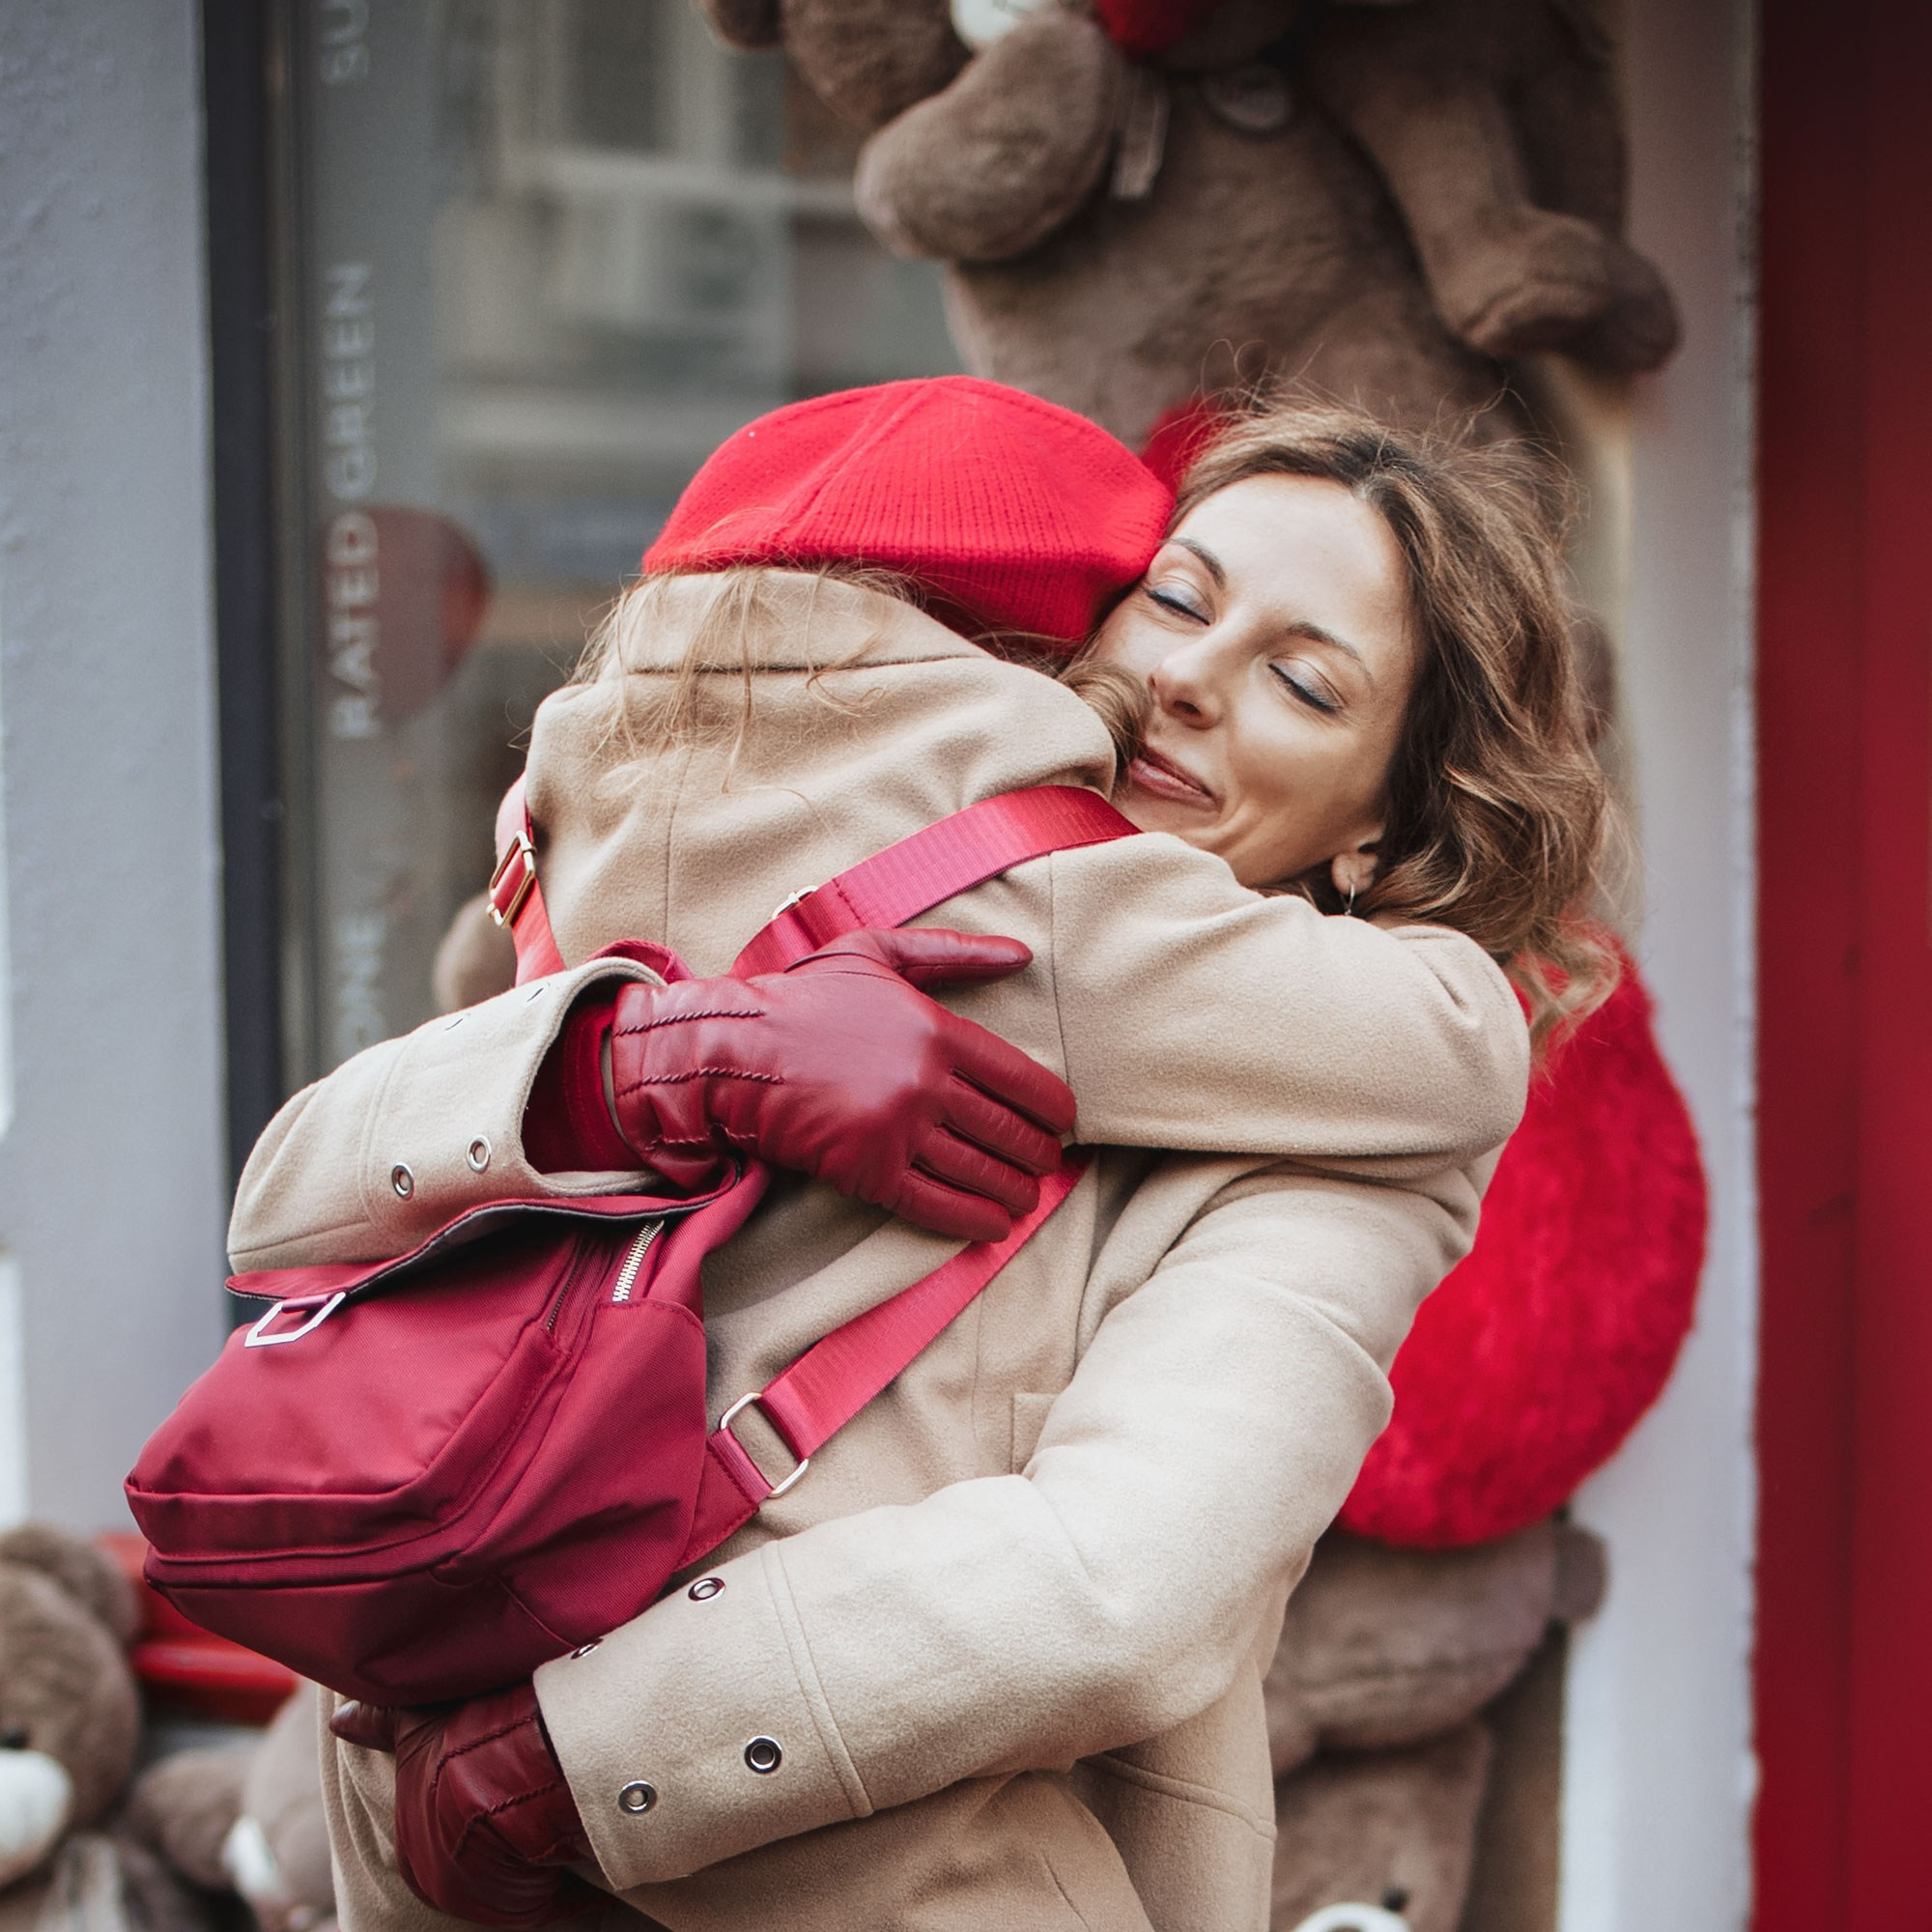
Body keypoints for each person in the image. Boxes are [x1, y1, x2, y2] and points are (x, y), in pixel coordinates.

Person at [230, 383, 1606, 1931]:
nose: (1186, 679)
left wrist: (573, 1754)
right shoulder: (806, 879)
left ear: (1378, 830)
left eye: (1300, 680)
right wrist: (653, 1065)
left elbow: (1119, 1578)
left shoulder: (1349, 1140)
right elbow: (292, 1205)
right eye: (1177, 599)